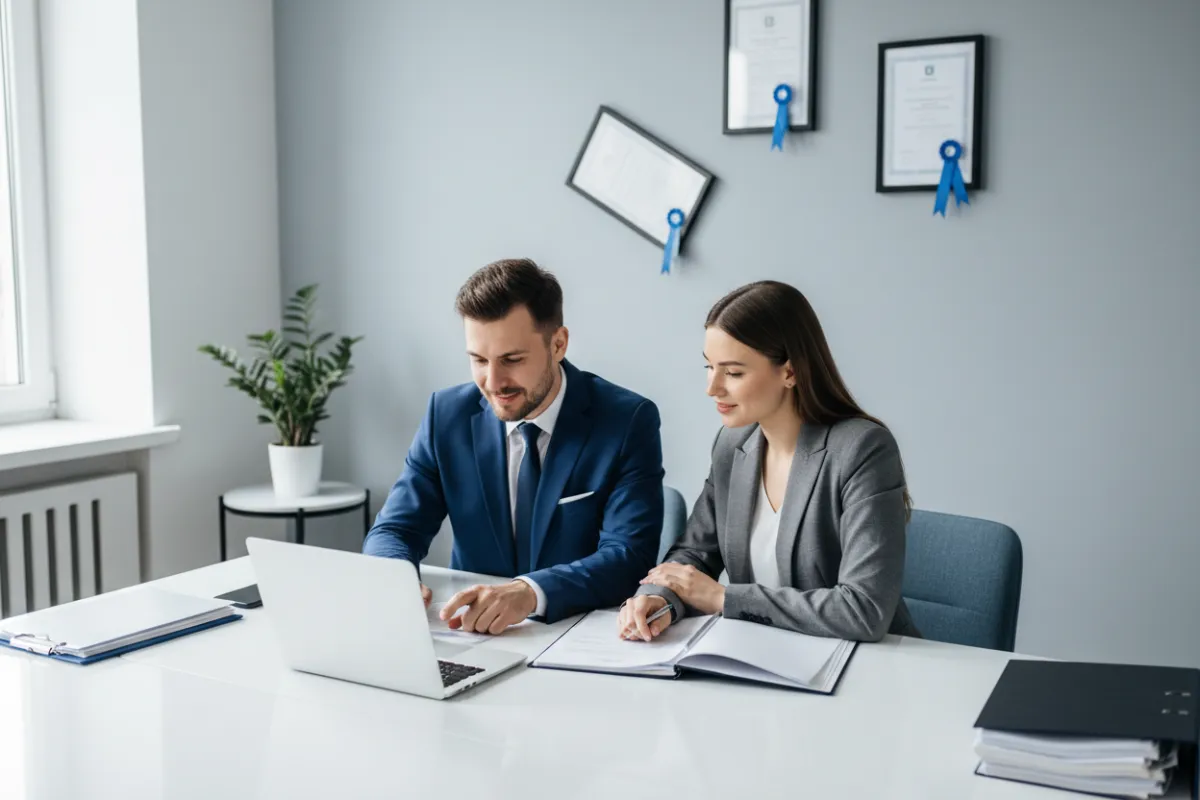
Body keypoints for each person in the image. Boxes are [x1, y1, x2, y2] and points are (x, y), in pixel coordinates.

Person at [364, 258, 664, 633]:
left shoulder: (627, 421)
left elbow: (628, 557)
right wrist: (394, 580)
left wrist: (530, 592)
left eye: (512, 360)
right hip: (469, 632)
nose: (493, 382)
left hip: (576, 633)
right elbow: (394, 530)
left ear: (558, 344)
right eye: (478, 360)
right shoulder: (446, 416)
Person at [618, 280, 920, 643]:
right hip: (767, 657)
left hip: (864, 667)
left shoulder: (862, 450)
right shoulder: (733, 444)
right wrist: (657, 599)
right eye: (709, 367)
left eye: (733, 372)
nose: (712, 388)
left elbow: (863, 610)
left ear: (789, 372)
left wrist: (723, 598)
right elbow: (694, 554)